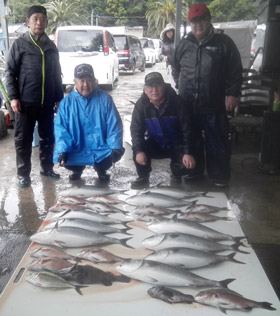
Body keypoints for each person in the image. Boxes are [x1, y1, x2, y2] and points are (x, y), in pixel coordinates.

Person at [173, 3, 243, 187]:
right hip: (188, 103)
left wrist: (233, 94)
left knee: (217, 140)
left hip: (214, 102)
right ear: (189, 23)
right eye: (194, 21)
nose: (198, 25)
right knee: (191, 139)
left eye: (201, 20)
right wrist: (179, 85)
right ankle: (194, 171)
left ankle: (219, 175)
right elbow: (175, 67)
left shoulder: (224, 43)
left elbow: (235, 70)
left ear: (209, 21)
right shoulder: (183, 44)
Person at [5, 5, 64, 188]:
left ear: (46, 22)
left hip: (46, 102)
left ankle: (47, 168)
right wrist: (13, 97)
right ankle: (23, 174)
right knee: (23, 140)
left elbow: (56, 74)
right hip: (25, 103)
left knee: (48, 138)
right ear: (28, 22)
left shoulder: (51, 47)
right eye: (35, 19)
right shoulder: (20, 44)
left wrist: (58, 98)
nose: (39, 22)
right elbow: (10, 72)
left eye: (42, 19)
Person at [53, 63, 124, 182]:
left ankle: (101, 170)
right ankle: (77, 170)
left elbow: (115, 126)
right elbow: (61, 130)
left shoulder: (105, 99)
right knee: (62, 156)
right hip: (76, 148)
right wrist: (62, 151)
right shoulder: (66, 103)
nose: (85, 84)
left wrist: (115, 148)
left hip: (101, 148)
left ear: (94, 81)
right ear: (75, 82)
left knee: (114, 152)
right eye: (81, 80)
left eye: (89, 80)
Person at [130, 72, 196, 188]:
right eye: (150, 86)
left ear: (164, 86)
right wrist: (139, 151)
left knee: (186, 166)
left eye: (158, 85)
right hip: (156, 143)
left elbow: (188, 129)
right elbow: (136, 131)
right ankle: (143, 176)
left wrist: (188, 152)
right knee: (138, 149)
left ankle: (177, 172)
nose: (154, 90)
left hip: (176, 144)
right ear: (145, 89)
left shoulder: (177, 102)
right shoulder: (141, 105)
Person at [160, 23, 176, 89]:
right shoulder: (164, 43)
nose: (169, 33)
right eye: (168, 32)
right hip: (169, 66)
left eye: (171, 31)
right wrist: (164, 57)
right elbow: (160, 54)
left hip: (178, 67)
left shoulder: (178, 41)